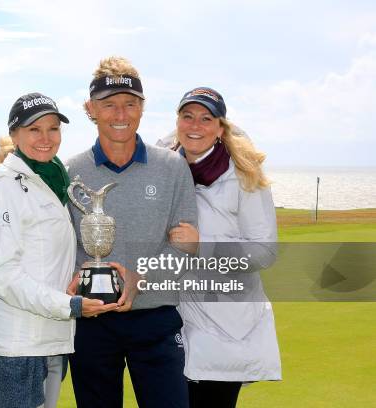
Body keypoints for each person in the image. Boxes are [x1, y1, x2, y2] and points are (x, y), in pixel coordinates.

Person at [66, 56, 198, 408]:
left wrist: (141, 278)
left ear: (142, 108)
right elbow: (60, 247)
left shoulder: (172, 166)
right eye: (109, 105)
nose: (120, 115)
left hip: (156, 318)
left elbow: (185, 245)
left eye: (130, 104)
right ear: (91, 109)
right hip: (92, 321)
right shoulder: (70, 171)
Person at [0, 93, 117, 408]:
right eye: (34, 129)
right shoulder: (3, 185)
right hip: (15, 348)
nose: (45, 138)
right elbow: (4, 277)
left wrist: (76, 282)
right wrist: (70, 305)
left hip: (52, 342)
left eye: (53, 128)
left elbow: (46, 261)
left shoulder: (52, 181)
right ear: (15, 135)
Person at [159, 87, 281, 408]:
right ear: (177, 122)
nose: (195, 125)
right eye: (188, 116)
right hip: (172, 322)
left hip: (225, 326)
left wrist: (203, 247)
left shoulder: (244, 175)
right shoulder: (163, 168)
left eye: (206, 118)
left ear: (220, 128)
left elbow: (265, 252)